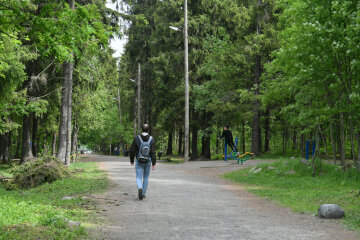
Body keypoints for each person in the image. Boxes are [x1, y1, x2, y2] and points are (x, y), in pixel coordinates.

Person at [130, 124, 156, 200]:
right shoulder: (151, 139)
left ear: (142, 129)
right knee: (146, 176)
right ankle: (143, 193)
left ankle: (140, 187)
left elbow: (132, 150)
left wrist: (132, 160)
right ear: (148, 130)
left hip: (139, 160)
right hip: (148, 160)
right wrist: (153, 163)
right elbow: (153, 152)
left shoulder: (136, 138)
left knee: (138, 176)